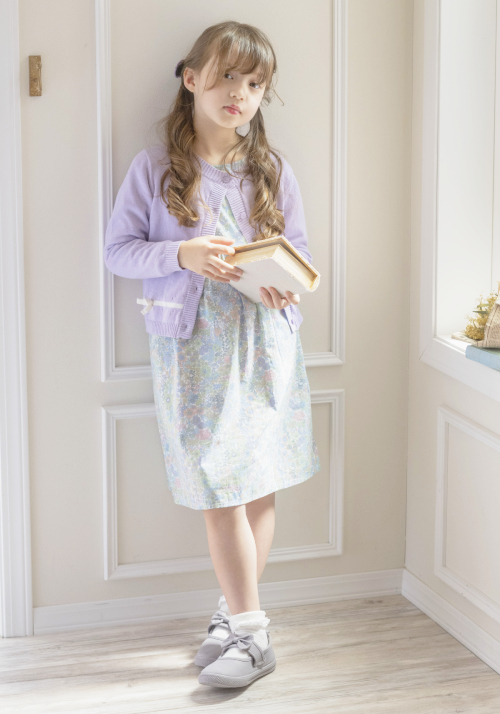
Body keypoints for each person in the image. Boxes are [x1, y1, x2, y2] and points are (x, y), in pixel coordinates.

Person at [104, 20, 321, 689]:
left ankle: (240, 623)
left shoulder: (271, 169)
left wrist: (285, 283)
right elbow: (119, 252)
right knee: (218, 488)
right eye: (227, 76)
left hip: (264, 343)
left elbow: (300, 254)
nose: (240, 93)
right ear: (192, 78)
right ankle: (251, 630)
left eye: (254, 84)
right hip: (195, 350)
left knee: (255, 484)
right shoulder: (155, 169)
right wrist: (183, 254)